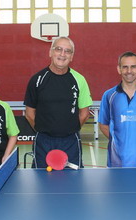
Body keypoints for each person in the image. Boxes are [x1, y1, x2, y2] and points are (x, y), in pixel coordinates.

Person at [24, 36, 92, 168]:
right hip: (43, 142)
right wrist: (44, 131)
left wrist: (69, 129)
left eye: (68, 51)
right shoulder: (37, 80)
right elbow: (29, 113)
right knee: (41, 182)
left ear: (72, 56)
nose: (62, 54)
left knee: (74, 184)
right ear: (50, 52)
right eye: (58, 49)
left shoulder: (79, 80)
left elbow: (84, 113)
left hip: (70, 141)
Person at [99, 51, 136, 167]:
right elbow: (103, 125)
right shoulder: (109, 95)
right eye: (125, 67)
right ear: (119, 69)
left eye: (133, 67)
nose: (129, 71)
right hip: (116, 162)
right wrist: (117, 140)